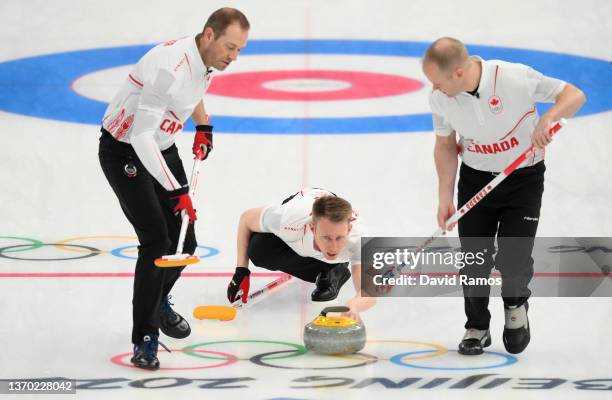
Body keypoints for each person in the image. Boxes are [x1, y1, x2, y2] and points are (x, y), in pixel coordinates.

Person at [98, 8, 249, 370]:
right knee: (157, 241)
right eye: (230, 46)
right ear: (209, 35)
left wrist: (202, 124)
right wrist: (175, 190)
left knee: (185, 240)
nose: (234, 56)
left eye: (240, 50)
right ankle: (146, 337)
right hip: (126, 152)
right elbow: (140, 136)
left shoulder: (204, 60)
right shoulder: (170, 68)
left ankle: (157, 298)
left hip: (161, 147)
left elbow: (191, 92)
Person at [422, 37, 585, 355]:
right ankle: (477, 326)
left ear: (457, 72)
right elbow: (445, 146)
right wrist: (445, 198)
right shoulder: (441, 99)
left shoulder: (513, 77)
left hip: (523, 179)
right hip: (474, 180)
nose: (434, 89)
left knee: (513, 258)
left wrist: (549, 118)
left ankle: (515, 309)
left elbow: (573, 95)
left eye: (437, 81)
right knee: (474, 261)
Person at [228, 188, 376, 320]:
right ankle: (328, 267)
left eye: (339, 238)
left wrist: (355, 305)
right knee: (259, 249)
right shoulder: (288, 221)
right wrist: (241, 272)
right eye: (326, 238)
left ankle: (333, 269)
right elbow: (246, 219)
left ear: (349, 230)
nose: (334, 247)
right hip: (299, 210)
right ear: (313, 229)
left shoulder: (359, 241)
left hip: (314, 219)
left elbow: (369, 293)